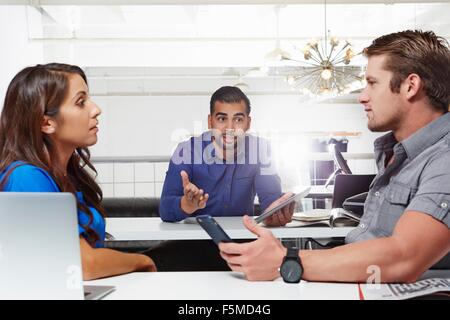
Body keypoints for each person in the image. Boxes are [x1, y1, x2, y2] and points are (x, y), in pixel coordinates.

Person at [219, 30, 450, 283]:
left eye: (372, 83)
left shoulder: (444, 158)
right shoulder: (398, 155)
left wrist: (287, 259)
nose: (362, 97)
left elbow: (404, 257)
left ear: (410, 86)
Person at [0, 63, 156, 280]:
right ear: (46, 123)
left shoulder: (67, 175)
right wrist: (143, 261)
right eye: (81, 102)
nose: (96, 109)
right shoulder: (25, 178)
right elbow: (83, 265)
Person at [159, 86, 295, 226]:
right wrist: (186, 204)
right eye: (222, 119)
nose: (230, 128)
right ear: (210, 121)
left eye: (238, 120)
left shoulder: (261, 149)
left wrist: (275, 214)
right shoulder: (186, 151)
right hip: (195, 241)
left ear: (248, 123)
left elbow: (270, 201)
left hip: (243, 240)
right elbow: (165, 210)